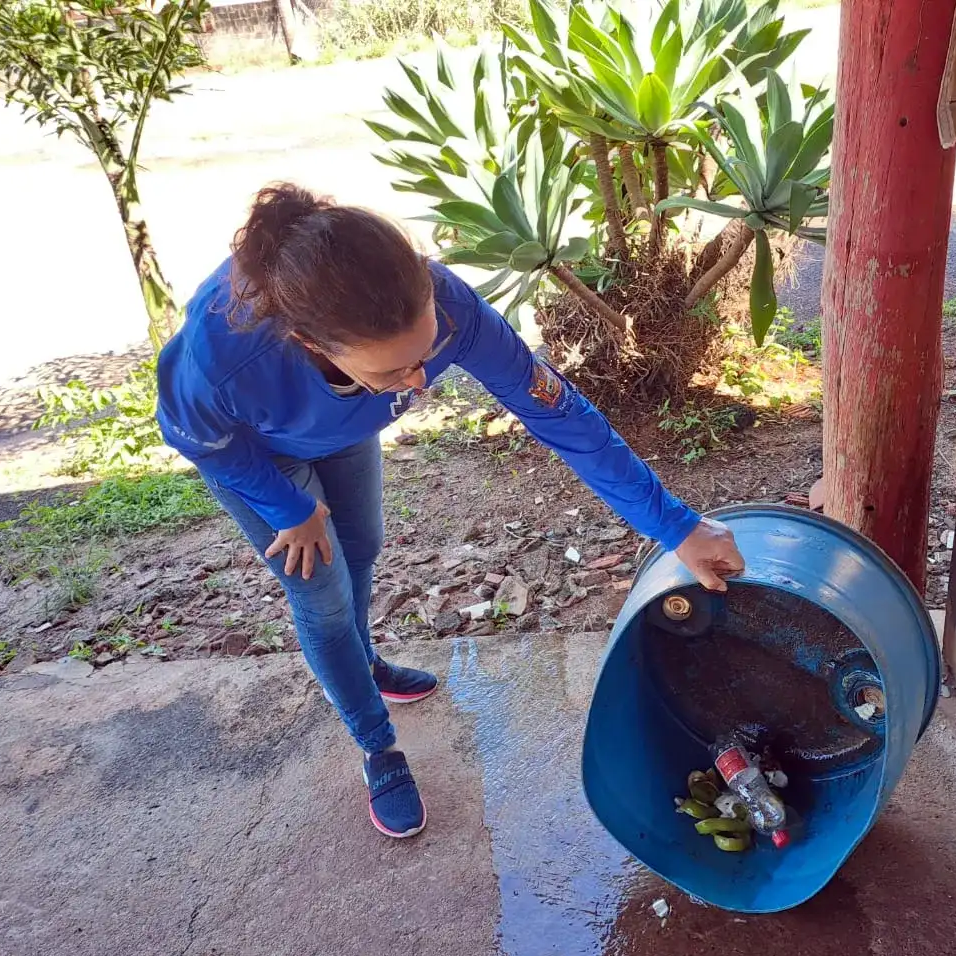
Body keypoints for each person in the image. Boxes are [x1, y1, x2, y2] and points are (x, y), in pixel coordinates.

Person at [156, 183, 745, 839]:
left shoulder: (444, 303)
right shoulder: (225, 356)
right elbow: (194, 437)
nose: (419, 385)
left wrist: (678, 526)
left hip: (346, 428)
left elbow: (557, 412)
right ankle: (376, 745)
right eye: (395, 373)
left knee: (365, 544)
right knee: (321, 591)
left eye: (426, 355)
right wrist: (287, 507)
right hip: (263, 461)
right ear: (309, 342)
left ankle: (367, 665)